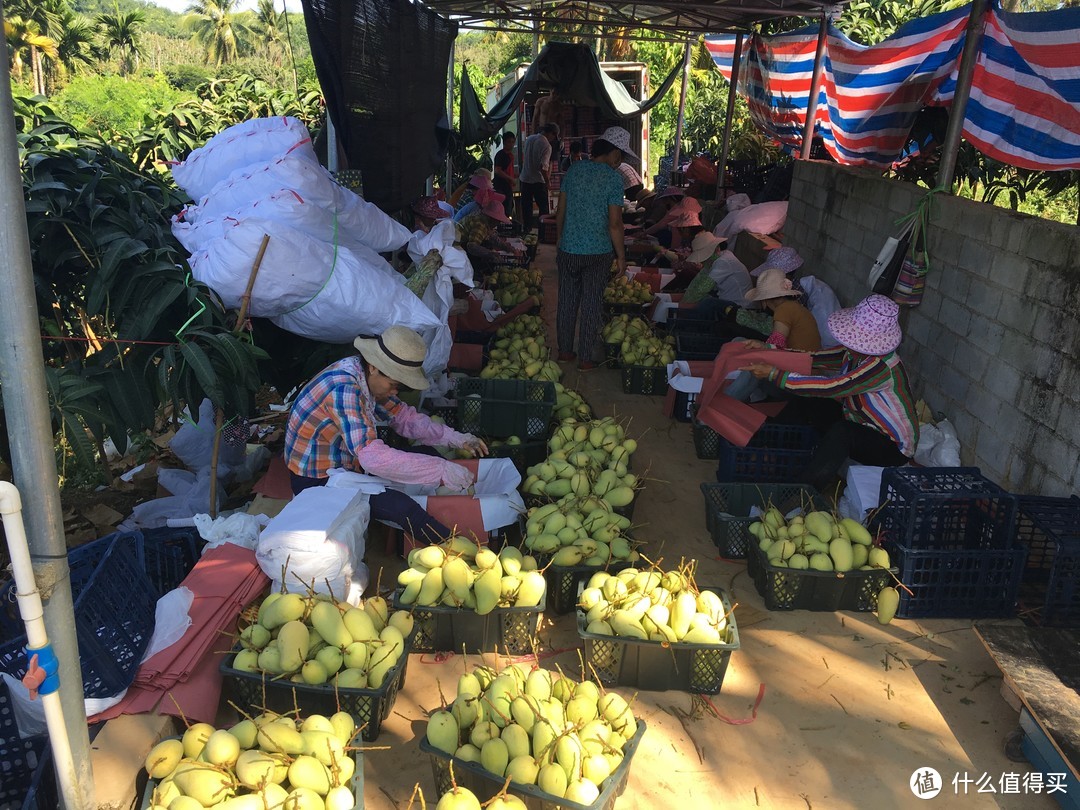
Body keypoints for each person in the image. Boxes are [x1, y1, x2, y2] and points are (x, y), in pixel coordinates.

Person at [284, 327, 489, 546]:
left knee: (427, 453)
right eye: (393, 385)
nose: (394, 392)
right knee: (402, 507)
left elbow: (403, 417)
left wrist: (456, 438)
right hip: (317, 479)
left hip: (348, 464)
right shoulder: (344, 388)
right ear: (374, 367)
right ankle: (456, 549)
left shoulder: (366, 377)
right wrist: (439, 469)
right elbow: (371, 456)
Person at [741, 294, 919, 493]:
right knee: (809, 403)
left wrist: (775, 374)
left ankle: (802, 491)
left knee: (843, 432)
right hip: (860, 421)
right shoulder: (852, 353)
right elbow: (813, 358)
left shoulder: (882, 367)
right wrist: (769, 350)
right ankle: (762, 448)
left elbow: (833, 386)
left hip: (891, 445)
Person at [554, 126, 631, 371]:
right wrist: (621, 256)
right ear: (614, 153)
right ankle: (586, 357)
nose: (620, 161)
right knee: (591, 303)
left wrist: (560, 240)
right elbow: (615, 223)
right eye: (621, 156)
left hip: (569, 249)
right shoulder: (613, 179)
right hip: (598, 253)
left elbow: (561, 212)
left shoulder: (574, 170)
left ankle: (565, 352)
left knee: (566, 301)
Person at [519, 123, 559, 233]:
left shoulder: (529, 139)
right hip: (538, 181)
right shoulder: (546, 145)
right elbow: (543, 167)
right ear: (551, 134)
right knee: (544, 209)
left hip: (525, 179)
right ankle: (543, 233)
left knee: (526, 208)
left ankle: (527, 231)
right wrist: (548, 182)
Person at [492, 132, 517, 220]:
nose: (511, 144)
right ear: (504, 142)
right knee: (504, 209)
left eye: (513, 142)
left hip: (507, 187)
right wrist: (510, 178)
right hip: (500, 187)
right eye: (509, 142)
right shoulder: (501, 155)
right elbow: (498, 170)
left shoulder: (510, 156)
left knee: (509, 208)